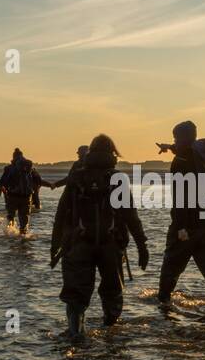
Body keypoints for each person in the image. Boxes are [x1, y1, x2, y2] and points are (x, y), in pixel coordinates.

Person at [51, 134, 148, 337]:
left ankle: (76, 336)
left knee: (76, 297)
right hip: (110, 246)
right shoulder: (118, 178)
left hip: (78, 245)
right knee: (112, 293)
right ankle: (110, 336)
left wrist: (55, 246)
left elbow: (61, 213)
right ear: (113, 153)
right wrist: (142, 246)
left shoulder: (76, 176)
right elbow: (131, 215)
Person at [156, 120, 205, 307]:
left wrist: (181, 226)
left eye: (176, 138)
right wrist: (169, 147)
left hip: (188, 225)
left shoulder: (181, 162)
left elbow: (181, 197)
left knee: (171, 267)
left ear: (184, 138)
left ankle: (164, 304)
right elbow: (186, 151)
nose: (174, 141)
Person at [0, 148, 36, 233]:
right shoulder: (29, 168)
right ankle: (22, 236)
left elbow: (3, 181)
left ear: (13, 157)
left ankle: (9, 234)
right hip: (26, 197)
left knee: (10, 216)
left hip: (13, 196)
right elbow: (36, 181)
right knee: (24, 220)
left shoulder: (9, 168)